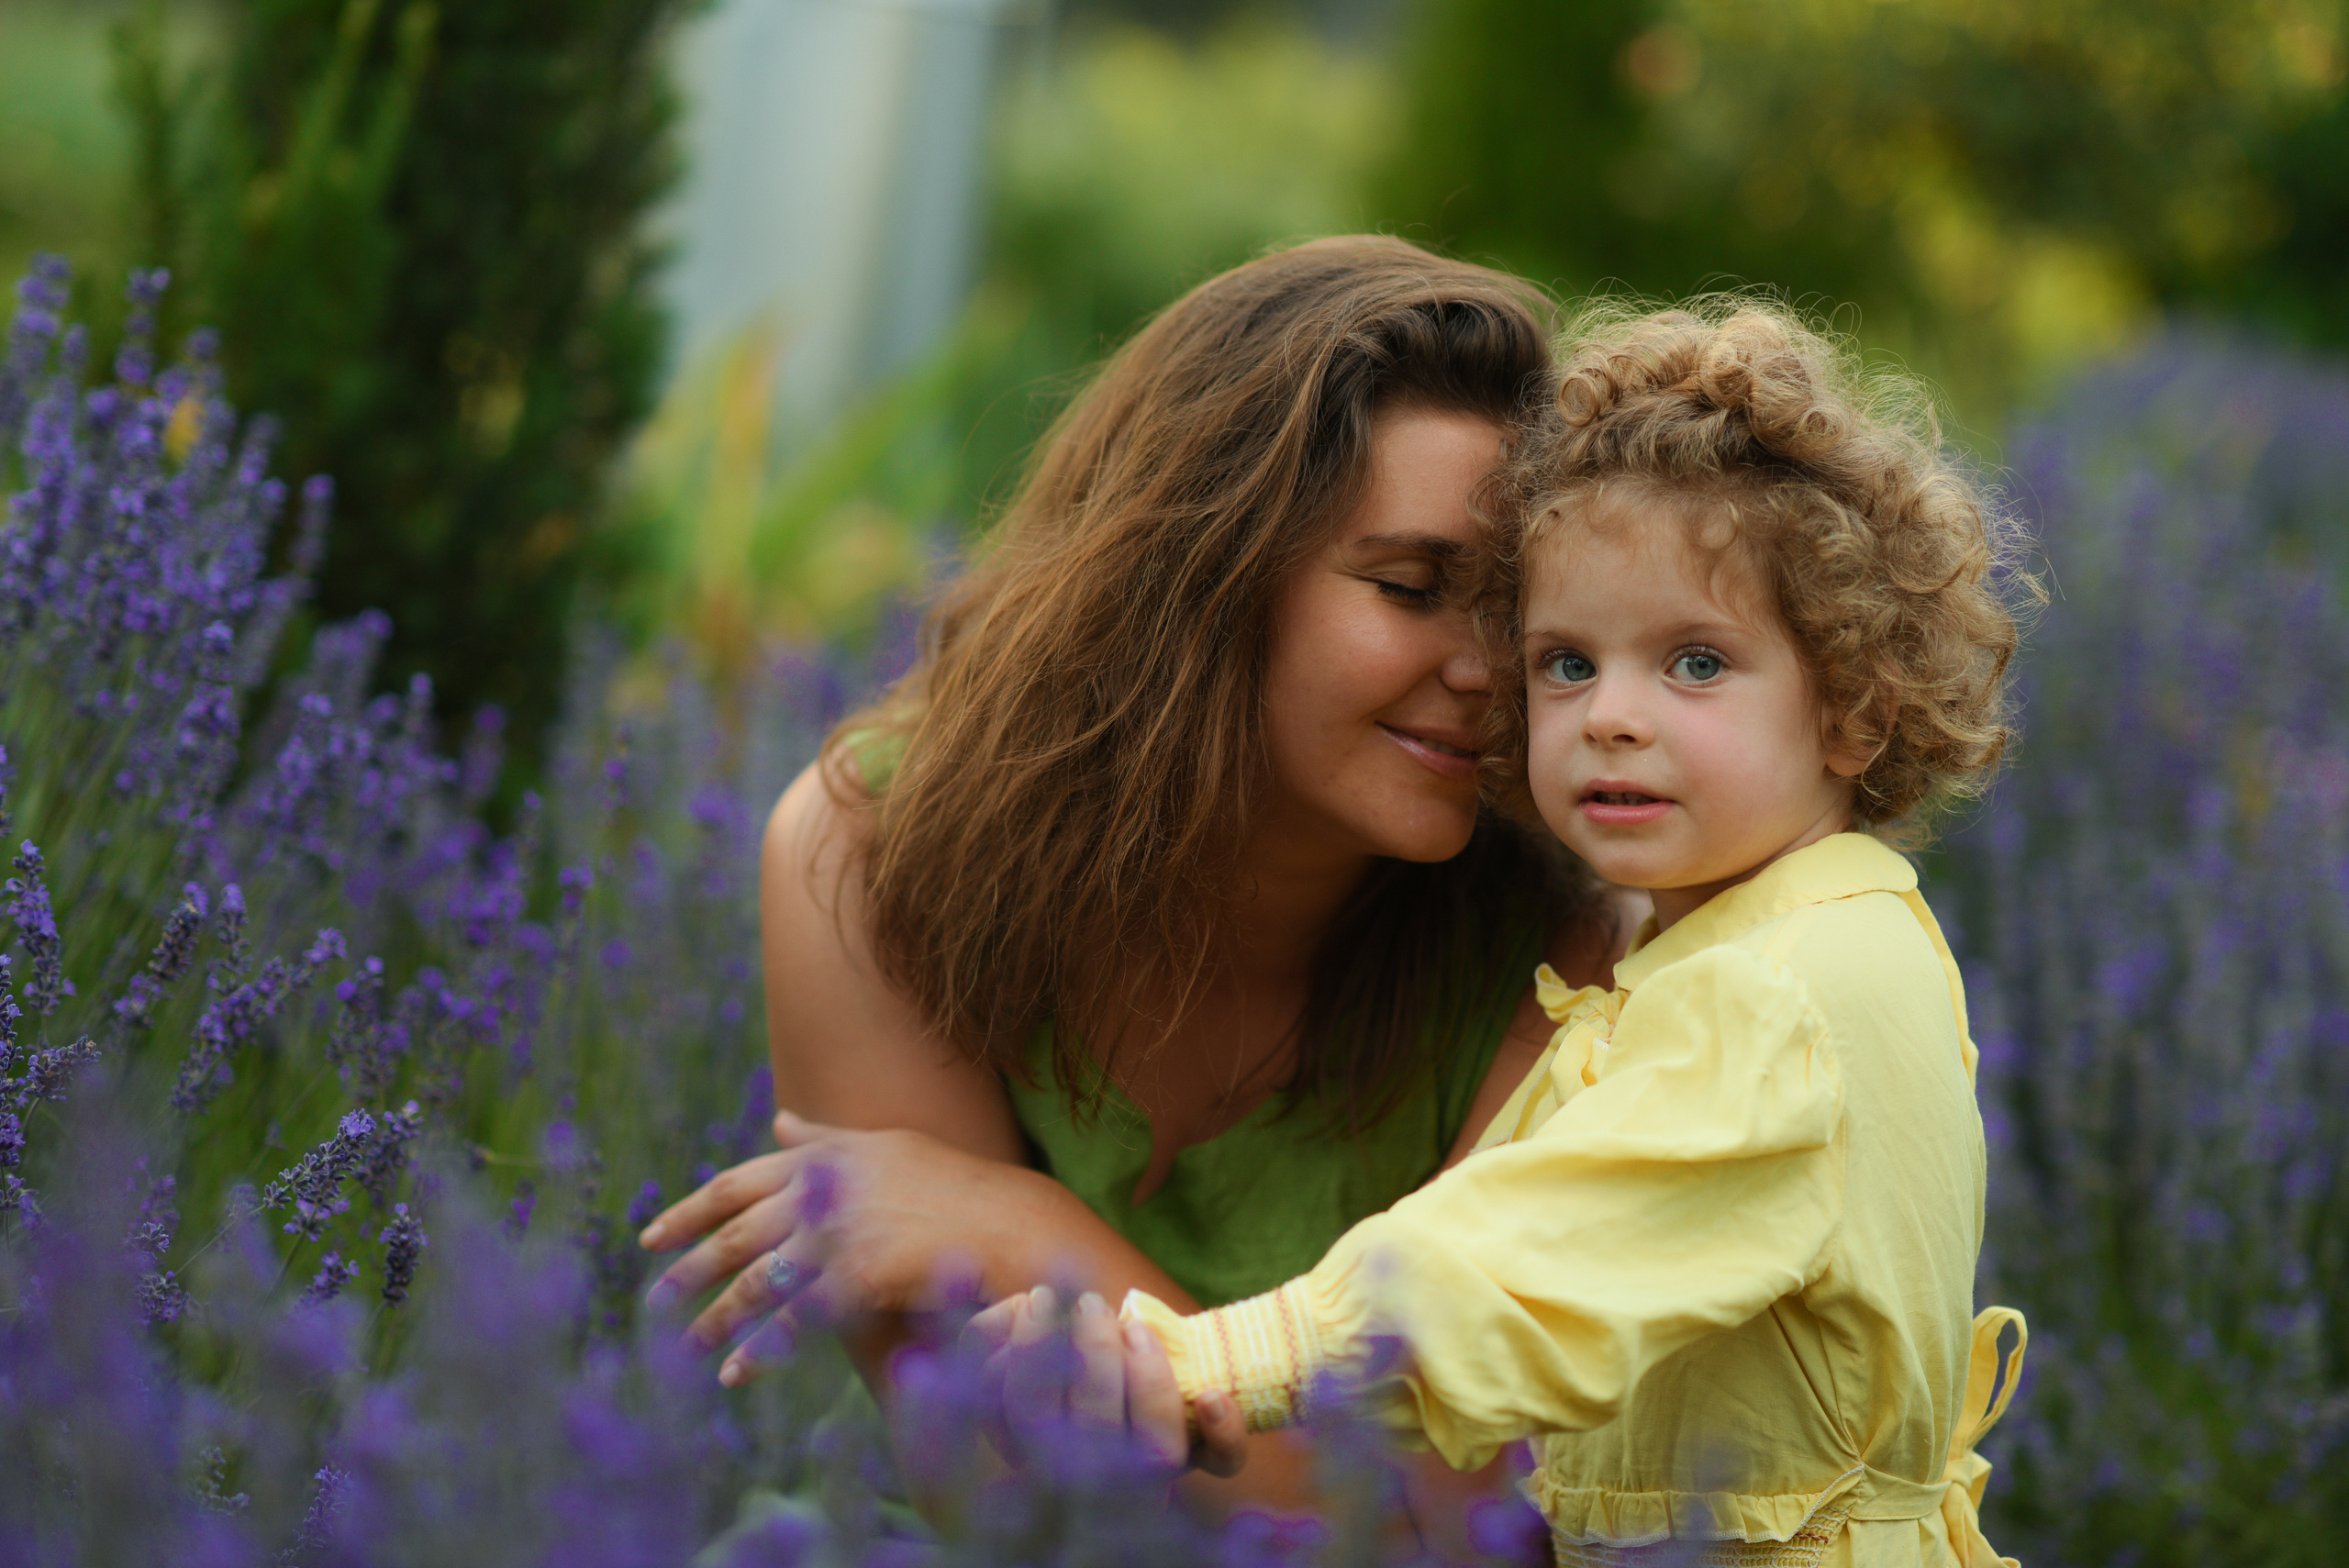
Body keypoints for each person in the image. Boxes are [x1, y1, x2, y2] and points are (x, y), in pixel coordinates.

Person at [1013, 298, 2039, 1565]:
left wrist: (1213, 1354)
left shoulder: (1782, 994)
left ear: (1857, 713)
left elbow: (1508, 1256)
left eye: (1697, 664)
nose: (1611, 714)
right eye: (1565, 662)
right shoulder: (1773, 944)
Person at [636, 236, 1619, 1530]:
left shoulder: (1574, 935)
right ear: (1205, 572)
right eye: (1413, 587)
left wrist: (1019, 1224)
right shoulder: (873, 851)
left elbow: (1441, 1511)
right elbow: (977, 1472)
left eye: (1517, 607)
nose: (1491, 667)